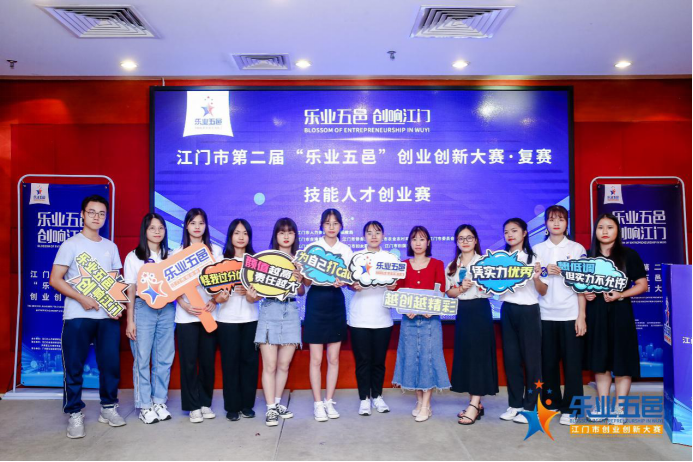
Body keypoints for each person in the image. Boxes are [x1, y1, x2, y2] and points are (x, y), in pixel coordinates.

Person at [49, 195, 125, 439]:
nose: (96, 217)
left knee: (110, 365)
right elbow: (55, 279)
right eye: (92, 212)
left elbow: (116, 282)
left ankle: (108, 407)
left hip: (107, 318)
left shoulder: (110, 246)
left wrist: (117, 305)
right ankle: (74, 412)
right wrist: (81, 298)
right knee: (74, 366)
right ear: (82, 214)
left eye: (101, 213)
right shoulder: (71, 244)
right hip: (77, 316)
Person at [584, 213, 647, 425]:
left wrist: (621, 294)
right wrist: (587, 292)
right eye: (600, 227)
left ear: (617, 230)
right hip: (596, 314)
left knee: (622, 361)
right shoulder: (588, 257)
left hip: (621, 314)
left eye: (609, 227)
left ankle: (620, 409)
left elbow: (642, 285)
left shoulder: (629, 255)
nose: (604, 231)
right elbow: (581, 286)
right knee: (600, 362)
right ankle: (602, 407)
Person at [533, 205, 587, 426]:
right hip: (545, 314)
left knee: (572, 365)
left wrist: (582, 316)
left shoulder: (576, 248)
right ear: (545, 223)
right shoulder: (537, 249)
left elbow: (582, 284)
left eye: (561, 219)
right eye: (552, 219)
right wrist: (540, 275)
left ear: (567, 223)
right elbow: (540, 289)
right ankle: (551, 402)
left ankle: (572, 409)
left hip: (570, 314)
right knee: (548, 364)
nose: (556, 223)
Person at [392, 225, 450, 422]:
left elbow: (440, 290)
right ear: (410, 242)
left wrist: (431, 308)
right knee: (412, 359)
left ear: (428, 242)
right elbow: (397, 292)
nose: (418, 243)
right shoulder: (403, 265)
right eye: (414, 239)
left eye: (422, 239)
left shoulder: (437, 264)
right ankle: (419, 401)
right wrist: (404, 308)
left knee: (428, 360)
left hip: (430, 320)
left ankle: (426, 404)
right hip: (408, 321)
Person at [173, 208, 224, 423]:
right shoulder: (176, 253)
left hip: (208, 315)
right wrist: (183, 304)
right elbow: (170, 286)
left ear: (206, 226)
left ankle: (205, 403)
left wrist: (214, 301)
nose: (197, 227)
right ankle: (192, 406)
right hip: (186, 317)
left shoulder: (215, 251)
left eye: (201, 223)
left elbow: (223, 281)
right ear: (186, 226)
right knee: (188, 363)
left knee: (207, 362)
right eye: (193, 223)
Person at [124, 213, 175, 424]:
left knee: (164, 357)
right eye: (152, 228)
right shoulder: (134, 257)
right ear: (144, 231)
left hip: (167, 308)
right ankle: (144, 405)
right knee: (142, 358)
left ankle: (159, 401)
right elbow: (130, 289)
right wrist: (130, 320)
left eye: (161, 227)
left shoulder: (171, 256)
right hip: (143, 308)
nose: (157, 231)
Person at [303, 208, 353, 422]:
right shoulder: (312, 248)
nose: (331, 227)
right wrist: (304, 271)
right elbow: (306, 282)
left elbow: (351, 280)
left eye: (335, 223)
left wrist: (345, 281)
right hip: (316, 301)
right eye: (327, 223)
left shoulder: (346, 250)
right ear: (321, 225)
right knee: (315, 359)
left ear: (341, 226)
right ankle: (317, 403)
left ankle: (329, 401)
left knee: (333, 358)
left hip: (336, 301)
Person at [445, 224, 498, 425]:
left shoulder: (486, 263)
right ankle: (475, 402)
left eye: (469, 238)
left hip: (480, 310)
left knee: (479, 356)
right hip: (462, 312)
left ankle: (474, 405)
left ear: (475, 240)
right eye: (461, 238)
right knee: (467, 356)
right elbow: (449, 293)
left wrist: (479, 284)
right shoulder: (452, 266)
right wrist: (460, 288)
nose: (465, 241)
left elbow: (495, 289)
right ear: (457, 242)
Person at [255, 217, 304, 427]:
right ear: (276, 235)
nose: (286, 236)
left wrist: (299, 279)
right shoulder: (266, 259)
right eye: (282, 232)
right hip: (270, 309)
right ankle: (270, 409)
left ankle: (276, 403)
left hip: (291, 311)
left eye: (290, 232)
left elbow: (301, 292)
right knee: (270, 364)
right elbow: (257, 289)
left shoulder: (299, 260)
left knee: (284, 364)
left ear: (295, 236)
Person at [498, 218, 548, 424]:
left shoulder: (534, 258)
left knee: (532, 362)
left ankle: (532, 407)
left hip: (528, 310)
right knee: (511, 360)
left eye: (514, 230)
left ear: (525, 233)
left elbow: (543, 290)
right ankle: (515, 404)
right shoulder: (500, 259)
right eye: (506, 231)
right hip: (508, 309)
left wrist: (536, 277)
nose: (510, 235)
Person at [216, 219, 260, 422]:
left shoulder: (255, 261)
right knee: (230, 363)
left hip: (251, 318)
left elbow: (262, 292)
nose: (241, 237)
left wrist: (252, 296)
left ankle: (247, 405)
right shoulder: (220, 261)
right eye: (237, 233)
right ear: (230, 236)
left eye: (245, 233)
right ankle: (232, 406)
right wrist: (220, 297)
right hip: (227, 319)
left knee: (249, 362)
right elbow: (212, 292)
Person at [348, 221, 394, 416]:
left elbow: (396, 284)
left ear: (383, 236)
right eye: (369, 233)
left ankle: (377, 396)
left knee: (379, 361)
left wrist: (394, 286)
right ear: (364, 236)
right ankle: (364, 399)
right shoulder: (356, 257)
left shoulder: (390, 258)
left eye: (377, 232)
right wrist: (353, 285)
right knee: (363, 361)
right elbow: (348, 283)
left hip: (383, 318)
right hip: (359, 318)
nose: (373, 236)